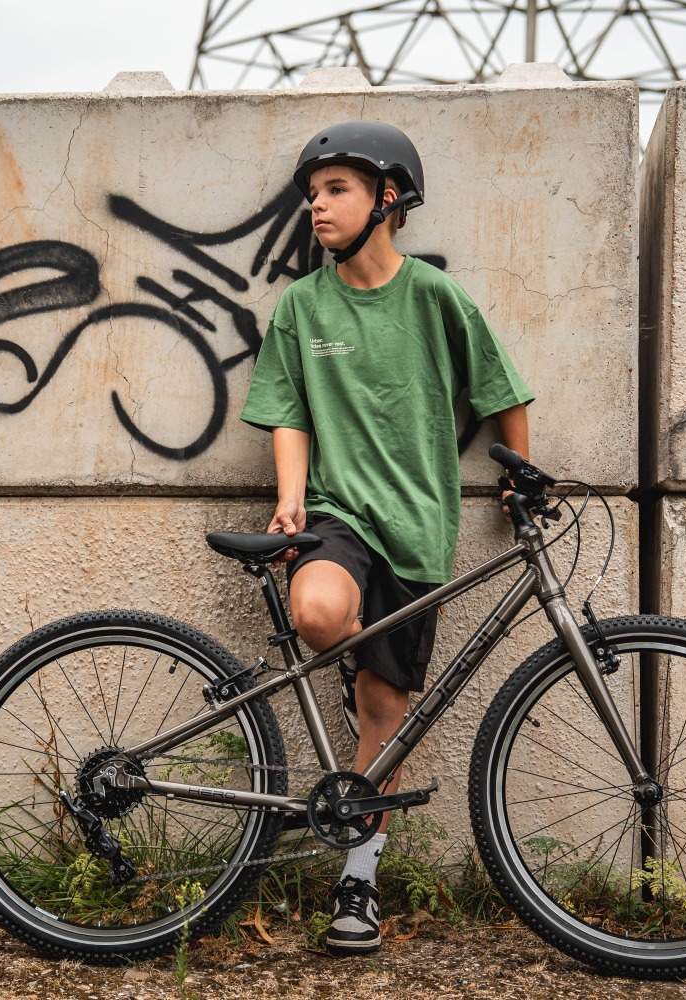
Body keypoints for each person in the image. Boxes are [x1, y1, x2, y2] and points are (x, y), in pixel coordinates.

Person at [239, 120, 534, 955]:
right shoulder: (303, 304)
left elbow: (504, 390)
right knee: (319, 617)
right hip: (339, 514)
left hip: (419, 530)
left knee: (385, 715)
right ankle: (366, 666)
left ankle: (358, 883)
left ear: (390, 200)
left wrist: (519, 473)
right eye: (311, 192)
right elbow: (288, 411)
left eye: (336, 189)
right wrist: (291, 502)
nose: (317, 205)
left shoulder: (436, 298)